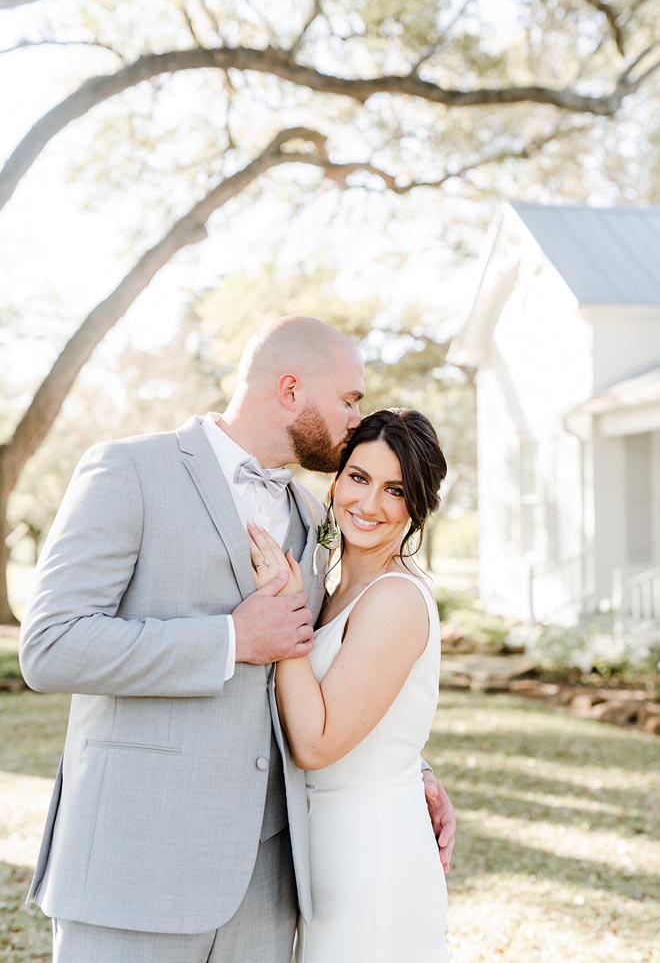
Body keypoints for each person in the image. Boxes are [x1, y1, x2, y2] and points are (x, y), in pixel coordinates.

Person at [19, 316, 455, 963]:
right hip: (136, 868)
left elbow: (332, 664)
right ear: (290, 390)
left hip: (270, 883)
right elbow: (50, 646)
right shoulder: (129, 470)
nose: (354, 415)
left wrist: (399, 765)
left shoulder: (315, 517)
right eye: (348, 399)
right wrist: (228, 639)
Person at [247, 407, 450, 962]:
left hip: (371, 851)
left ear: (418, 506)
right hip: (327, 845)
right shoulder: (335, 588)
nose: (368, 504)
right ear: (336, 480)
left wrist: (283, 612)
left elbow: (316, 743)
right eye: (359, 478)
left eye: (395, 490)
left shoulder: (394, 599)